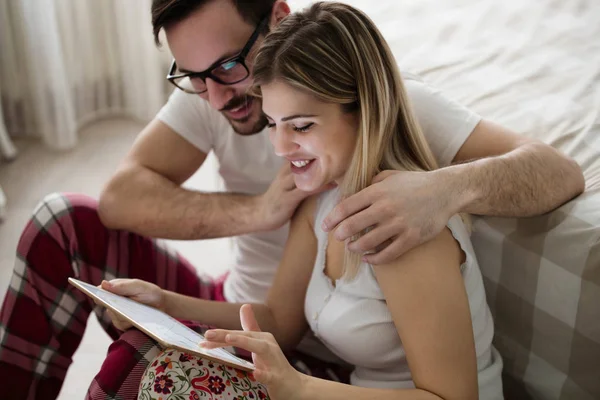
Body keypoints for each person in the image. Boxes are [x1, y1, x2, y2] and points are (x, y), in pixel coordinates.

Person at [0, 0, 583, 399]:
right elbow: (279, 320)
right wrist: (166, 296)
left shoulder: (398, 221)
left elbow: (555, 170)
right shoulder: (314, 192)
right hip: (286, 335)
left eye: (229, 67)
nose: (217, 96)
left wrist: (444, 189)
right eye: (195, 77)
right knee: (80, 251)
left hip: (333, 372)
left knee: (148, 367)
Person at [127, 3, 503, 398]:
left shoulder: (402, 228)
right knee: (153, 358)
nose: (279, 147)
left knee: (169, 383)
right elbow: (278, 322)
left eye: (302, 126)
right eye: (273, 124)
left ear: (363, 110)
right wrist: (164, 302)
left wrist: (300, 388)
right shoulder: (317, 200)